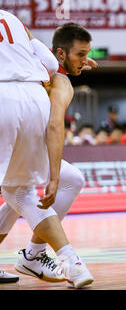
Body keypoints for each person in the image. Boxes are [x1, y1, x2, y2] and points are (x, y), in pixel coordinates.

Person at [0, 17, 94, 288]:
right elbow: (51, 64)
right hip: (27, 101)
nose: (85, 61)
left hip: (10, 101)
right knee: (19, 192)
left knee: (28, 190)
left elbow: (53, 63)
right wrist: (51, 176)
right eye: (82, 55)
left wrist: (75, 63)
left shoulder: (58, 80)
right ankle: (64, 259)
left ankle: (34, 253)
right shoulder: (13, 20)